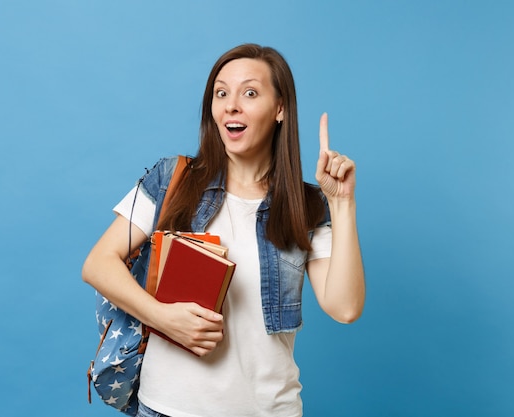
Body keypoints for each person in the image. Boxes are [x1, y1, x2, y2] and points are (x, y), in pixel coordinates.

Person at [82, 43, 365, 417]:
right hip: (166, 408)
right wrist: (162, 317)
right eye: (221, 93)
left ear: (280, 109)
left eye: (250, 92)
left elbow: (345, 307)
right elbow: (98, 263)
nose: (231, 104)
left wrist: (342, 203)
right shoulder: (174, 179)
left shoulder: (306, 205)